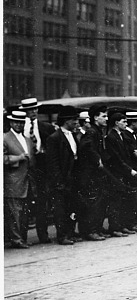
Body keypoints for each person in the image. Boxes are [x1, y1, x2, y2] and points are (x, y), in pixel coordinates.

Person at [20, 97, 56, 244]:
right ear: (25, 112)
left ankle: (43, 234)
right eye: (30, 110)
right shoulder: (19, 127)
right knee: (24, 202)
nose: (33, 112)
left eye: (35, 109)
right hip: (23, 168)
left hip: (41, 169)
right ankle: (21, 237)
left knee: (42, 202)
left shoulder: (45, 127)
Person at [46, 106, 81, 245]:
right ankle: (62, 235)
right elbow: (53, 164)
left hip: (72, 179)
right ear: (66, 121)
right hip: (61, 181)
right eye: (74, 120)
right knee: (61, 209)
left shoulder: (72, 136)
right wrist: (59, 182)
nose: (76, 123)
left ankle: (71, 233)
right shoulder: (54, 138)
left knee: (72, 207)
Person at [77, 105, 109, 241]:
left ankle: (95, 228)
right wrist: (98, 159)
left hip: (94, 174)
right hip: (89, 175)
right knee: (92, 203)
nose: (106, 119)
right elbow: (86, 147)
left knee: (97, 202)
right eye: (104, 116)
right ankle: (90, 230)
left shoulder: (97, 131)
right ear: (95, 117)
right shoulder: (92, 132)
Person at [4, 110, 35, 248]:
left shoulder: (27, 140)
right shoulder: (4, 138)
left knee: (24, 213)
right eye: (16, 122)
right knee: (14, 212)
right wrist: (18, 158)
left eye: (21, 122)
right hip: (13, 181)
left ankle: (22, 237)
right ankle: (16, 239)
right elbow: (3, 159)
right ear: (11, 122)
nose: (18, 125)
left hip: (27, 181)